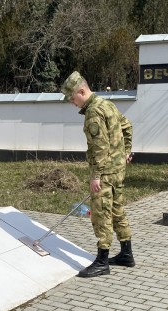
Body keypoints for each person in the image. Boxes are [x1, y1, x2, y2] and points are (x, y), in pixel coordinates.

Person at [60, 71, 135, 278]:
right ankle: (126, 254)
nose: (73, 104)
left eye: (73, 99)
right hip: (118, 171)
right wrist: (126, 152)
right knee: (118, 210)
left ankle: (102, 261)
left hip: (106, 173)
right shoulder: (107, 104)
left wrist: (96, 176)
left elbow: (100, 147)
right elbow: (127, 126)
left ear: (82, 91)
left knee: (101, 214)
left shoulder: (93, 112)